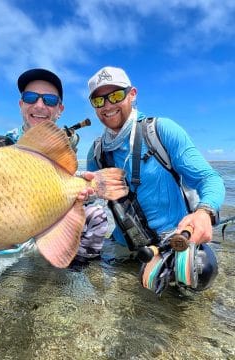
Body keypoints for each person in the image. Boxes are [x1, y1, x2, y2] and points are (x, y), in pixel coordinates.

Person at [0, 68, 110, 267]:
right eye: (31, 97)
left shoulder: (63, 146)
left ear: (60, 109)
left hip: (48, 231)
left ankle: (74, 273)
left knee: (97, 216)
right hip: (5, 245)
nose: (39, 105)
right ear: (21, 103)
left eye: (49, 100)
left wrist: (86, 190)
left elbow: (61, 183)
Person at [86, 66, 225, 294]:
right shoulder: (96, 153)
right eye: (99, 100)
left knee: (201, 275)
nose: (108, 105)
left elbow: (209, 178)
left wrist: (205, 212)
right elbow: (86, 201)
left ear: (132, 94)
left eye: (116, 95)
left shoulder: (161, 131)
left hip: (173, 241)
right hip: (123, 247)